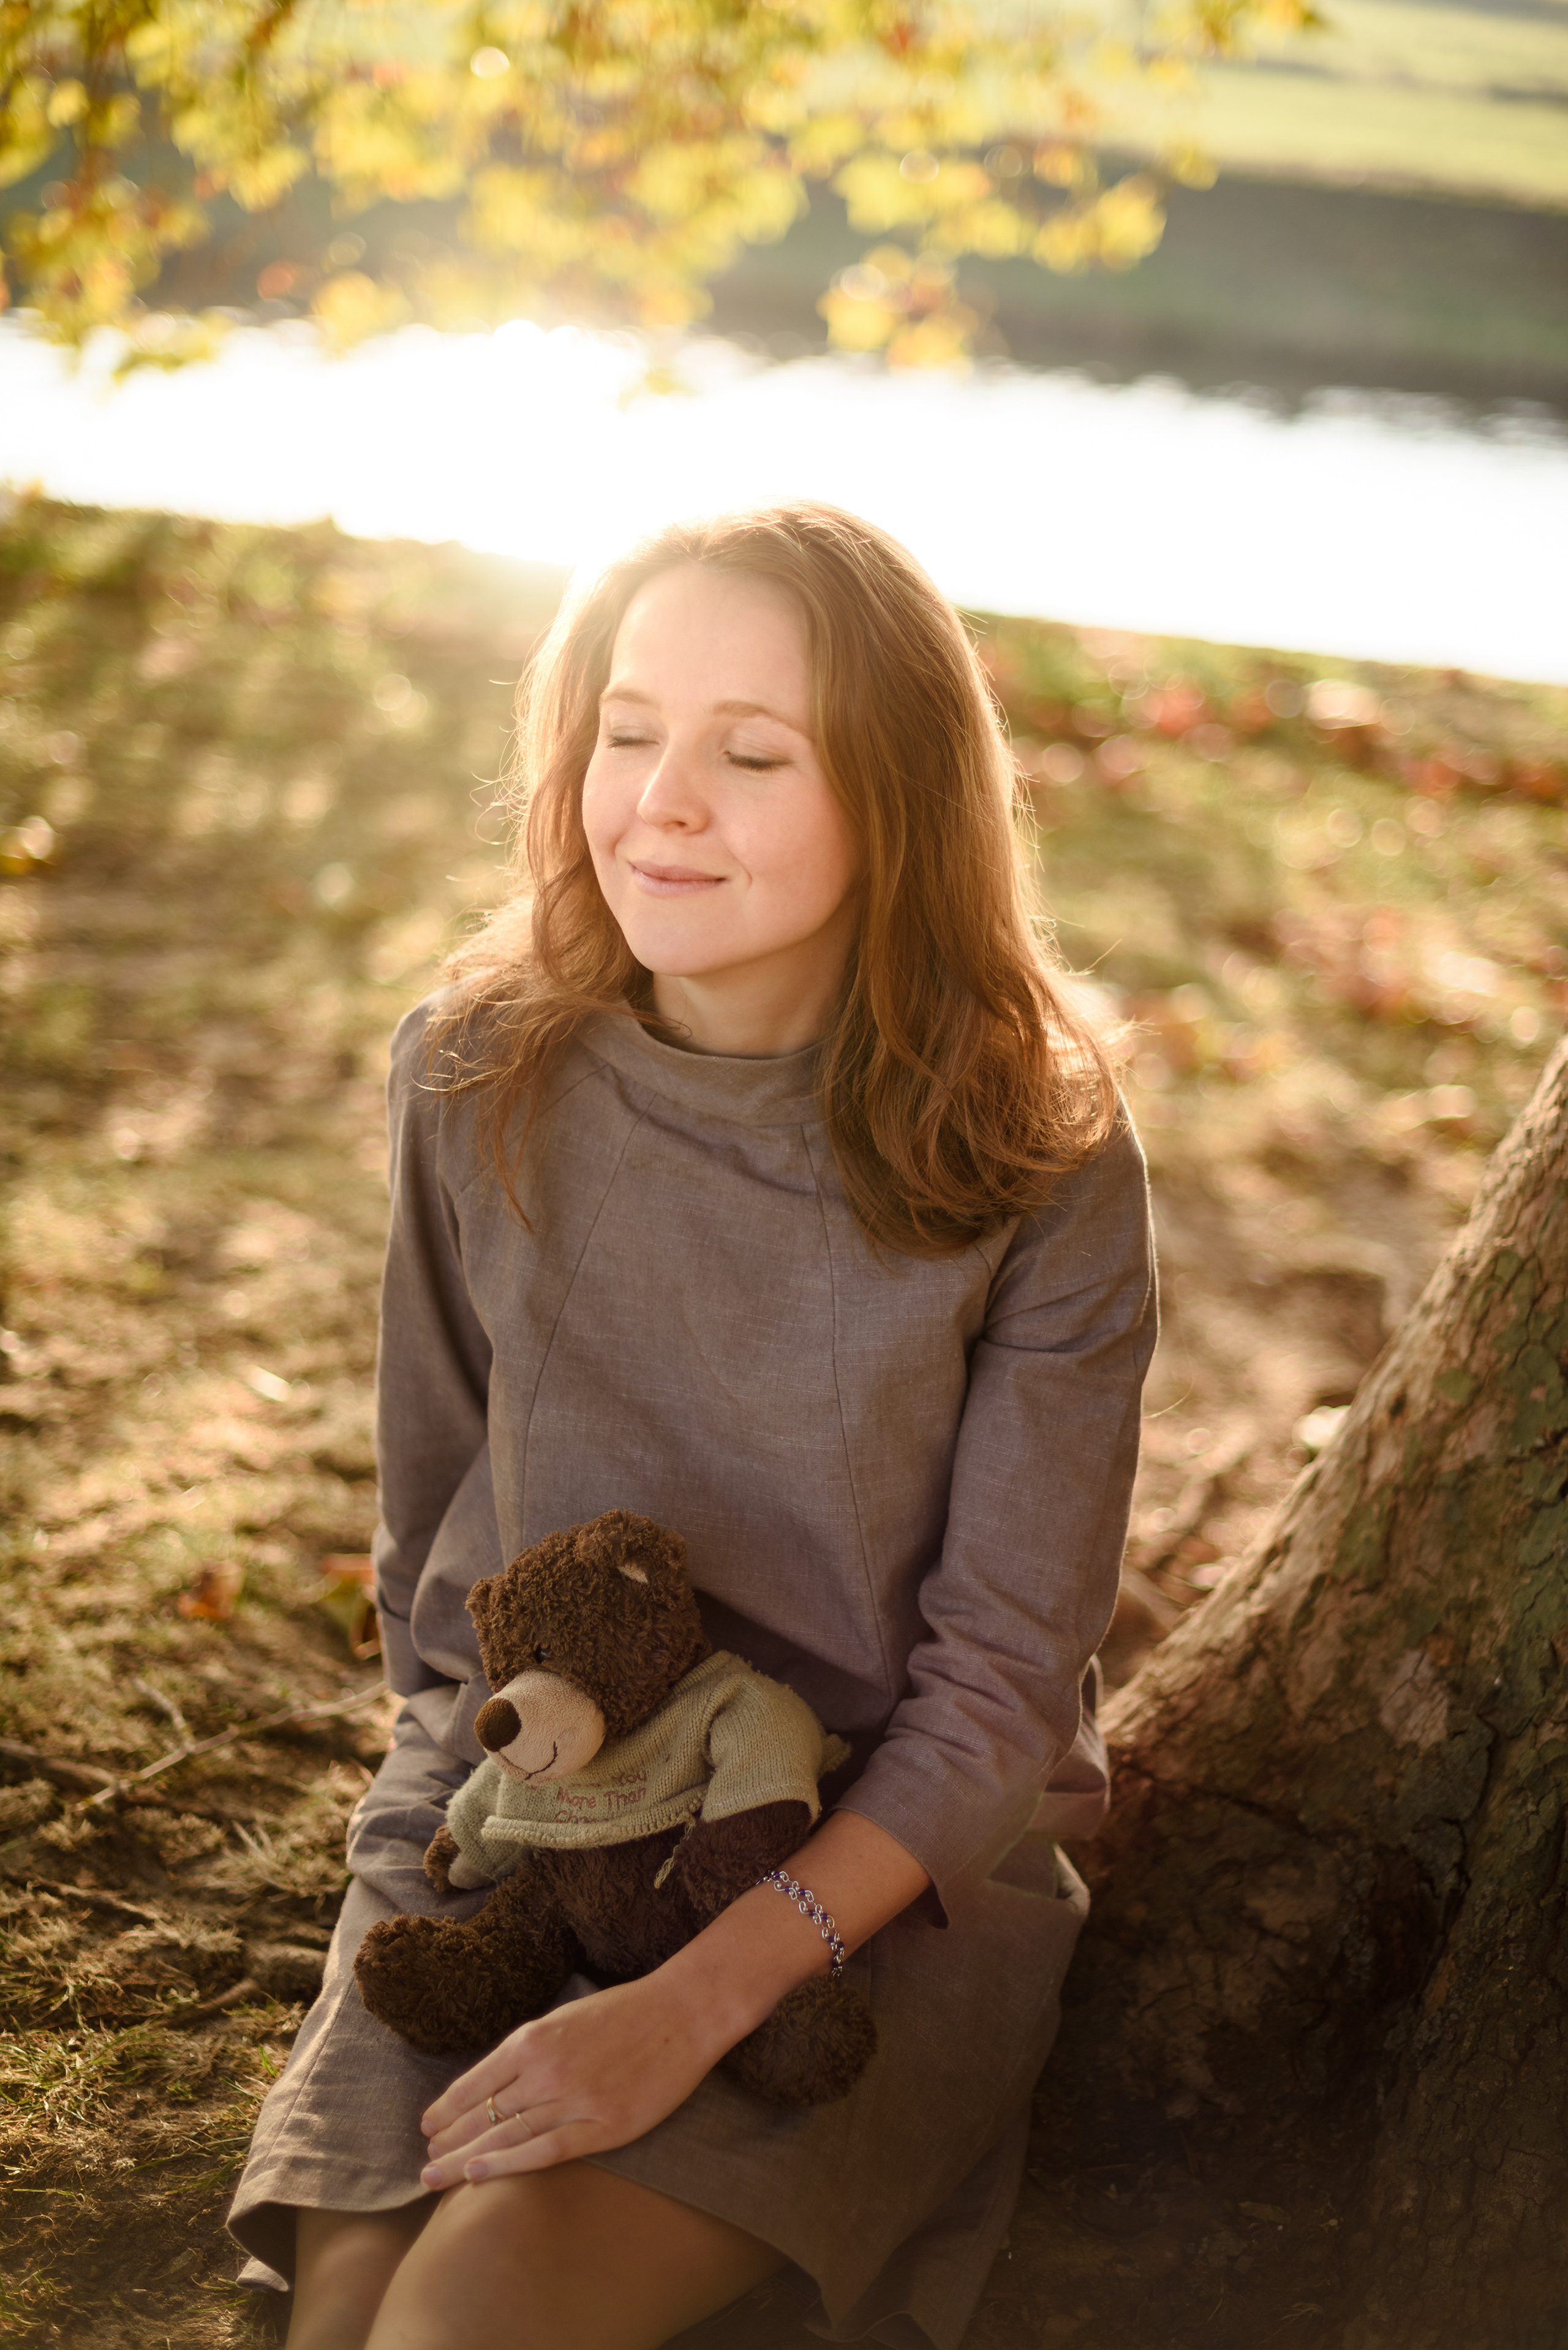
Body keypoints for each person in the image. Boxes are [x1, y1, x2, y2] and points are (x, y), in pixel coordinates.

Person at [228, 501, 1156, 2350]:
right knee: (342, 2323)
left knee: (468, 2317)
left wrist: (688, 2006)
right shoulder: (474, 1071)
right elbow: (441, 1581)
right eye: (627, 728)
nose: (659, 801)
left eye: (751, 753)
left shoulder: (1036, 1156)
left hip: (862, 1877)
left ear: (896, 798)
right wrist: (444, 1848)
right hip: (527, 1816)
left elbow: (997, 1697)